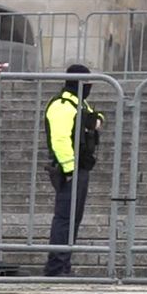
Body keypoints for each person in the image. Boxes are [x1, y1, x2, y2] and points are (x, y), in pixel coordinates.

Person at [42, 64, 103, 277]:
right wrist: (69, 170)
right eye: (87, 84)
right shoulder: (62, 105)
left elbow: (96, 117)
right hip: (69, 170)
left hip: (80, 168)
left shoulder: (79, 104)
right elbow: (59, 140)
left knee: (73, 219)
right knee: (65, 219)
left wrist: (96, 120)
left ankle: (63, 264)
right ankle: (56, 266)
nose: (89, 88)